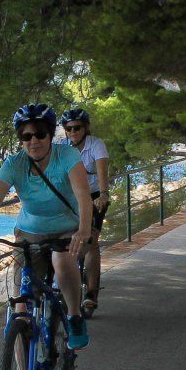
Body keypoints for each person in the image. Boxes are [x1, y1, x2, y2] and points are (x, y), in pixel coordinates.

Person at [0, 103, 94, 350]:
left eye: (40, 134)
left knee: (61, 259)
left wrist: (84, 230)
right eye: (26, 136)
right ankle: (20, 369)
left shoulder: (67, 156)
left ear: (50, 135)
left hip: (67, 228)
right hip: (29, 231)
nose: (33, 141)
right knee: (21, 305)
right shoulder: (14, 163)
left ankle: (74, 316)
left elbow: (83, 195)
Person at [61, 107, 111, 314]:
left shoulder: (96, 145)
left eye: (77, 128)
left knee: (91, 242)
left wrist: (104, 194)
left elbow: (102, 171)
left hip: (93, 195)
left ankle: (91, 292)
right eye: (69, 128)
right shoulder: (61, 147)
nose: (73, 132)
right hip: (70, 197)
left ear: (86, 128)